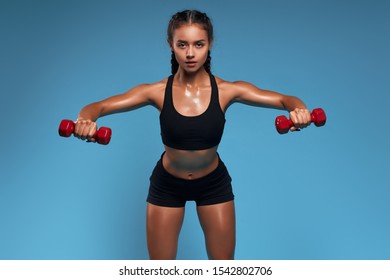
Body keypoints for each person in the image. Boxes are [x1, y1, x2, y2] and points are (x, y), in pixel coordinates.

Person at [73, 10, 311, 260]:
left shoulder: (228, 90)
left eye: (199, 44)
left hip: (213, 184)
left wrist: (300, 110)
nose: (190, 53)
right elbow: (96, 107)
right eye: (182, 44)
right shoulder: (155, 91)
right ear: (170, 45)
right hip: (167, 185)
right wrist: (84, 120)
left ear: (210, 44)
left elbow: (286, 100)